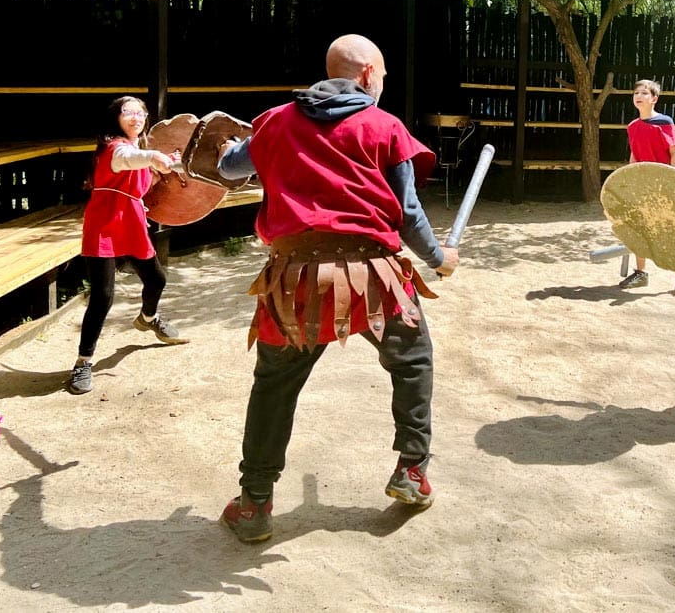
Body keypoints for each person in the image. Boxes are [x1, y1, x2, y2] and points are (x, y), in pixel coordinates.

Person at [216, 34, 459, 543]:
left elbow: (230, 169)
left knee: (274, 385)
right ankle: (412, 471)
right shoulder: (383, 125)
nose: (384, 85)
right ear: (369, 74)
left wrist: (225, 149)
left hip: (296, 278)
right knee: (412, 362)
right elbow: (408, 213)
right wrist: (440, 258)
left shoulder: (276, 120)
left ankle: (255, 503)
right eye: (385, 76)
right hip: (375, 274)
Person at [68, 96, 189, 396]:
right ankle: (83, 362)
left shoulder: (137, 149)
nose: (137, 117)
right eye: (129, 112)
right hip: (104, 224)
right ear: (116, 118)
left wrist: (165, 164)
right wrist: (153, 158)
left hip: (131, 221)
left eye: (141, 112)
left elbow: (142, 182)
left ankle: (148, 319)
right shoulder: (114, 147)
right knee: (103, 297)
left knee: (157, 279)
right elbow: (127, 158)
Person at [618, 79, 675, 296]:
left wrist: (674, 175)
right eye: (636, 93)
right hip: (643, 185)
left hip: (664, 183)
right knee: (640, 228)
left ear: (654, 98)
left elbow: (674, 150)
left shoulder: (664, 122)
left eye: (644, 92)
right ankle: (641, 273)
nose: (638, 96)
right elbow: (635, 153)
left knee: (670, 228)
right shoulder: (633, 126)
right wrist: (630, 178)